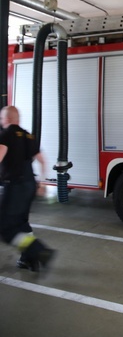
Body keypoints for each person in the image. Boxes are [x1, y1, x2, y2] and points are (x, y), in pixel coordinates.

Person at [0, 105, 55, 272]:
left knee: (5, 229)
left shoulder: (6, 134)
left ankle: (39, 252)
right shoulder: (29, 136)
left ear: (8, 119)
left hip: (15, 186)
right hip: (30, 185)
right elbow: (43, 161)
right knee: (21, 223)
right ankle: (28, 260)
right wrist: (43, 183)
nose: (1, 122)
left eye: (2, 118)